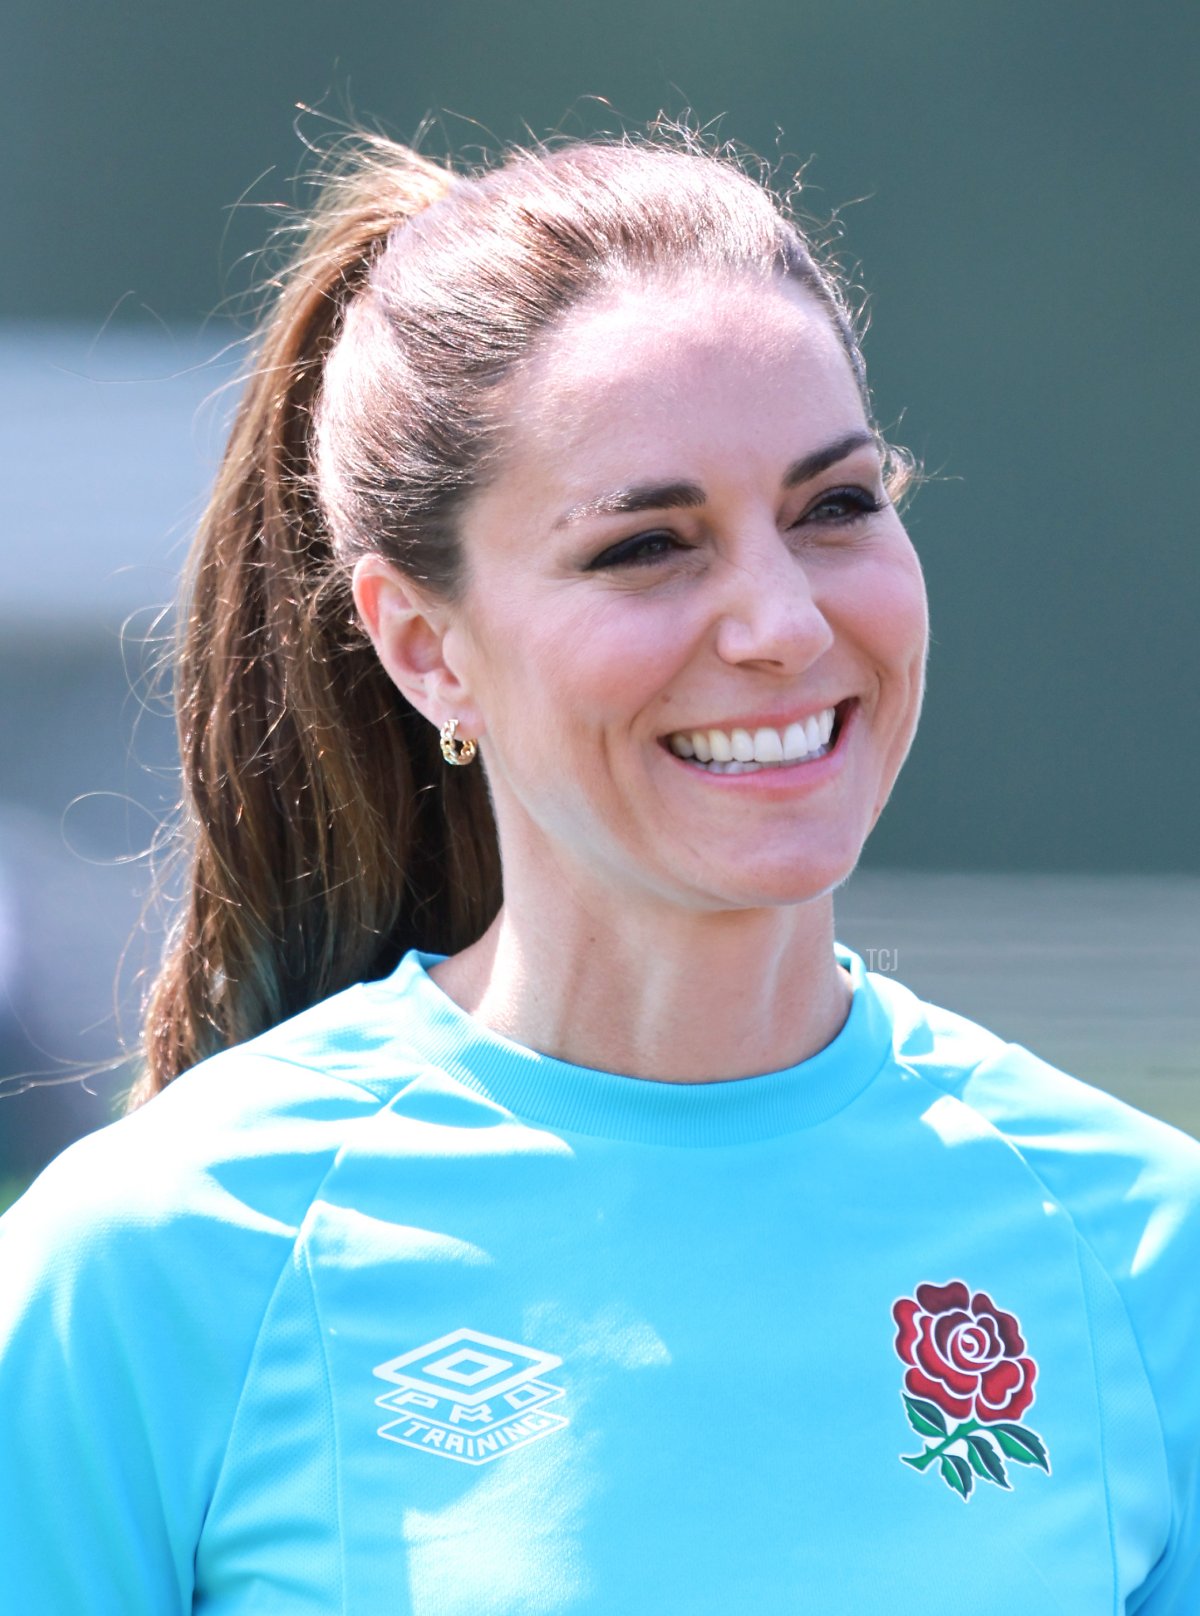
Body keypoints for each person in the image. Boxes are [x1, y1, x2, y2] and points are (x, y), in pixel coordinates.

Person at [0, 127, 1197, 1615]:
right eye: (647, 545)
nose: (778, 622)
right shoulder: (156, 1265)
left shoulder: (1145, 1250)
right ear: (424, 644)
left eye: (836, 507)